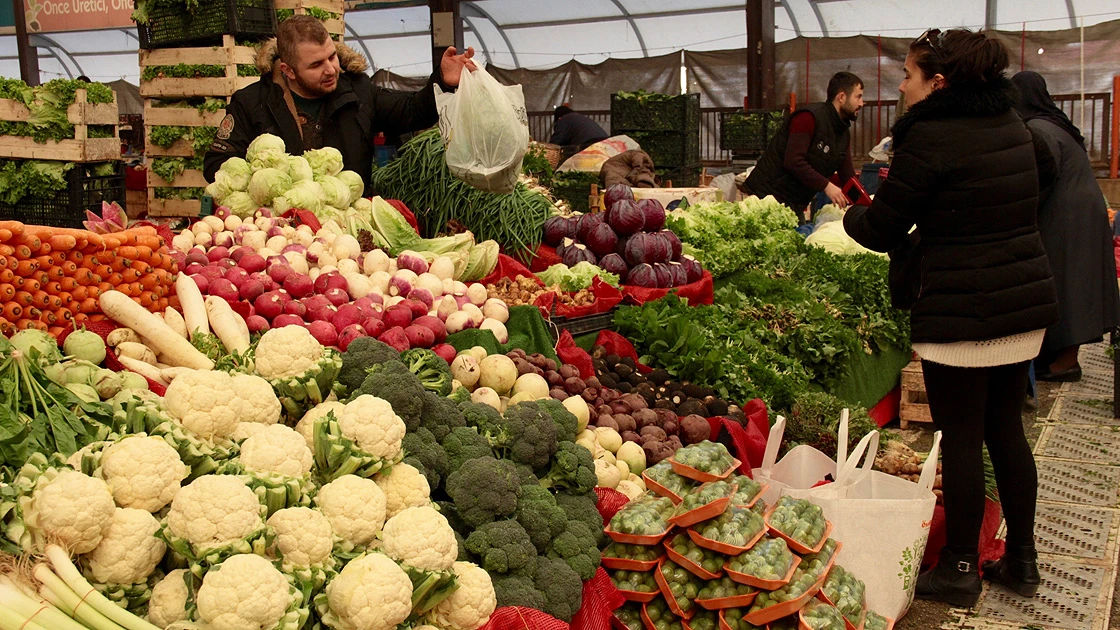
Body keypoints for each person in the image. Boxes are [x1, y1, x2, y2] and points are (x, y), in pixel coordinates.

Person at [843, 29, 1059, 607]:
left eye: (908, 75)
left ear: (939, 83)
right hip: (1021, 303)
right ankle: (1023, 562)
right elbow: (1040, 181)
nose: (901, 85)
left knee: (961, 435)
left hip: (962, 312)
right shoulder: (1013, 123)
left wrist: (851, 219)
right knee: (1006, 430)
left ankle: (960, 567)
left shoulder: (929, 136)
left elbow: (884, 226)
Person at [204, 15, 476, 192]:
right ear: (288, 70)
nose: (331, 69)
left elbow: (411, 110)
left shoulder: (358, 90)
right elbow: (217, 163)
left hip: (349, 227)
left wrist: (442, 80)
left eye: (331, 57)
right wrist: (270, 181)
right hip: (281, 231)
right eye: (316, 64)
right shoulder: (252, 102)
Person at [1012, 71, 1120, 382]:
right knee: (1074, 282)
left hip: (1066, 217)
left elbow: (1042, 177)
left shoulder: (1039, 130)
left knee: (1066, 285)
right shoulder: (1056, 123)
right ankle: (1059, 357)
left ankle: (1065, 361)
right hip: (1079, 212)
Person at [742, 72, 864, 214]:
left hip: (794, 204)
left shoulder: (842, 133)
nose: (861, 103)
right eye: (858, 97)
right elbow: (793, 161)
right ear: (841, 97)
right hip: (765, 197)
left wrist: (865, 205)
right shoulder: (808, 117)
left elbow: (848, 177)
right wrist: (826, 185)